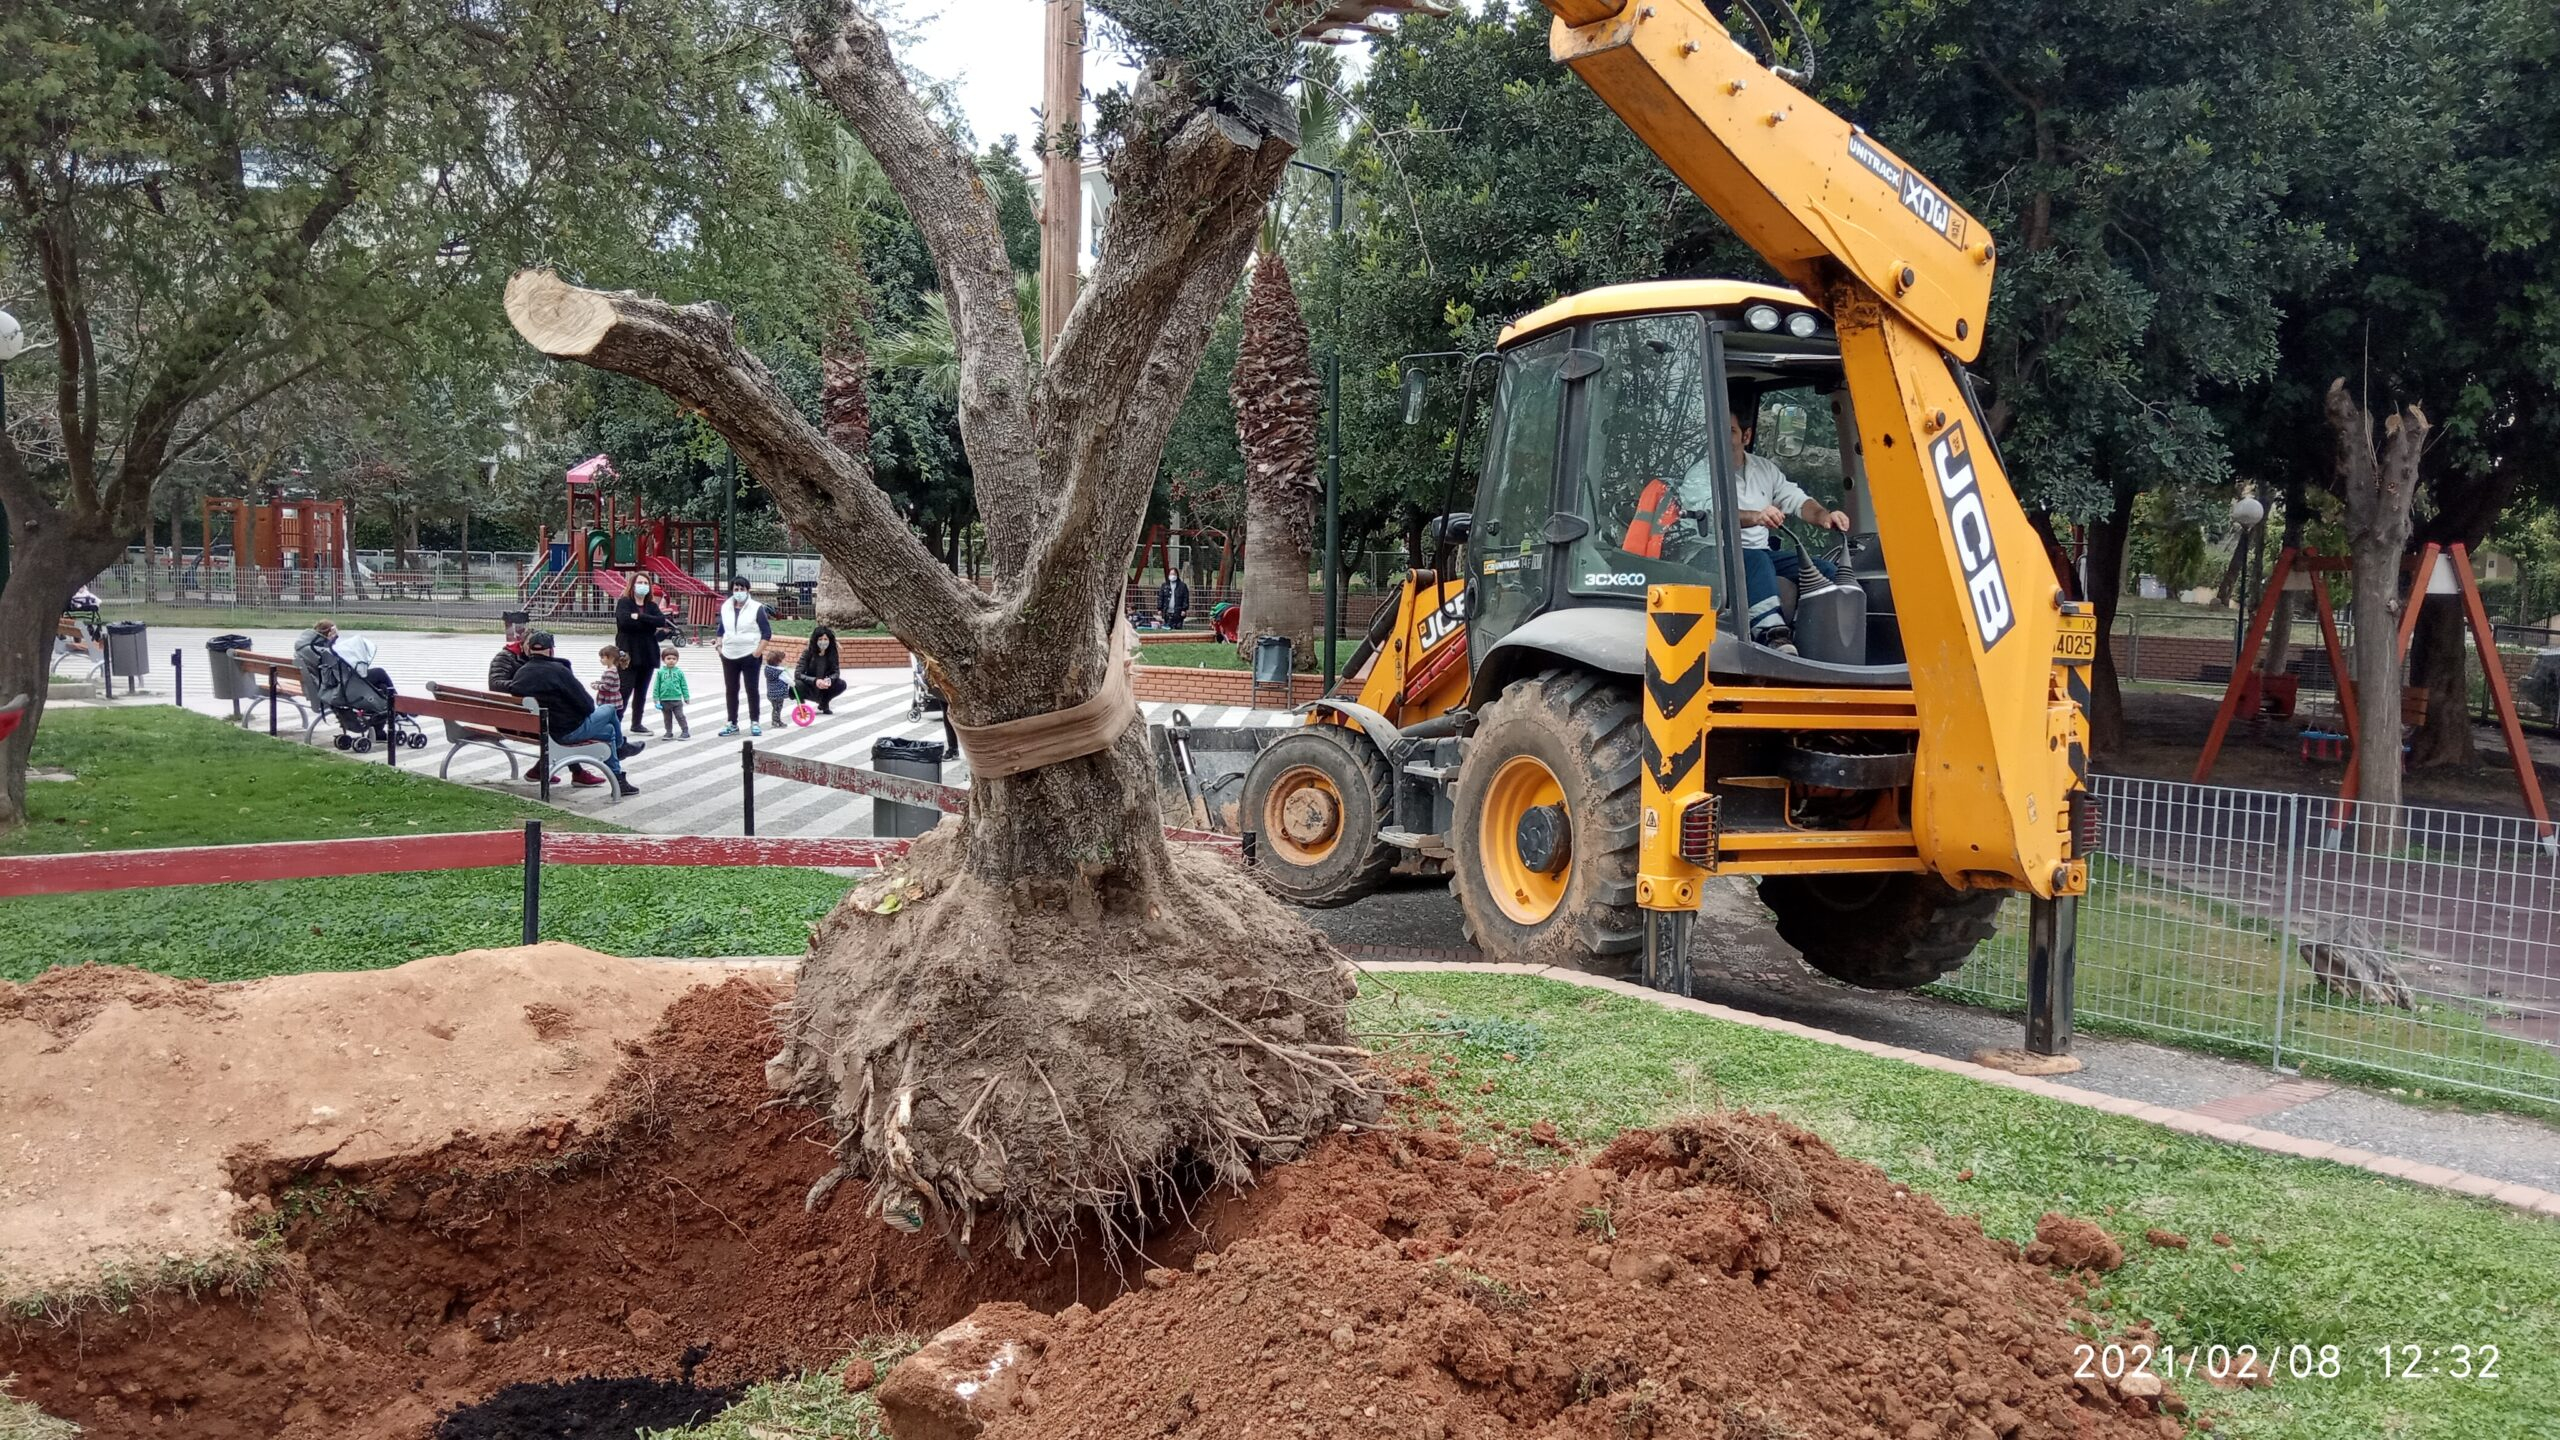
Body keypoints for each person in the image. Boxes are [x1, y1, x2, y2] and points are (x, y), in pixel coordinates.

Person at [1675, 396, 1849, 654]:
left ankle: (1814, 634)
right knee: (1758, 561)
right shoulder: (1701, 473)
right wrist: (1756, 516)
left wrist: (1824, 516)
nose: (1722, 437)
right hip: (1710, 554)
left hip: (1759, 554)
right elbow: (1714, 516)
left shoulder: (1765, 470)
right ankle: (1772, 635)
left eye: (1730, 431)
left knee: (1823, 569)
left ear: (1746, 436)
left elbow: (1798, 501)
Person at [503, 630, 643, 796]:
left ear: (530, 650)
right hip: (565, 732)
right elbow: (587, 705)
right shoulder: (559, 671)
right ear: (551, 650)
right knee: (609, 709)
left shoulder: (521, 672)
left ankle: (619, 775)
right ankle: (621, 749)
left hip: (540, 731)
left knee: (609, 732)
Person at [614, 577, 675, 733]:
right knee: (624, 690)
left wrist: (640, 617)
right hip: (628, 652)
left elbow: (661, 621)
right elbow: (626, 622)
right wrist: (648, 624)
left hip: (647, 653)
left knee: (641, 691)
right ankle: (615, 724)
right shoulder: (624, 603)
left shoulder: (651, 605)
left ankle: (637, 723)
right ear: (632, 585)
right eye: (639, 583)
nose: (643, 586)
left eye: (645, 583)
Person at [714, 576, 770, 737]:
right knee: (731, 689)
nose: (739, 592)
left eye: (742, 589)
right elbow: (721, 629)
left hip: (749, 654)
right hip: (729, 654)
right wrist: (719, 646)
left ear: (748, 590)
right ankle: (732, 722)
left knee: (751, 688)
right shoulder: (726, 607)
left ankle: (755, 721)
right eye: (736, 589)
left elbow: (766, 632)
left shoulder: (757, 608)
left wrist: (757, 652)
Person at [794, 626, 848, 714]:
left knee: (841, 684)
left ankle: (824, 703)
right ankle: (801, 706)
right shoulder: (808, 652)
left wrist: (829, 680)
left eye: (826, 639)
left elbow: (836, 672)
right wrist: (815, 681)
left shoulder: (832, 652)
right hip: (810, 686)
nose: (823, 642)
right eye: (820, 639)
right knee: (796, 684)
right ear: (815, 640)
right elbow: (798, 673)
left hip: (824, 686)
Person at [652, 644, 692, 738]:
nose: (671, 661)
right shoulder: (661, 672)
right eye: (668, 658)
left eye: (674, 658)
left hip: (676, 699)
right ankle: (669, 732)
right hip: (664, 700)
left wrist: (686, 697)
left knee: (680, 716)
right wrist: (656, 699)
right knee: (667, 718)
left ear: (677, 660)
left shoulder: (679, 672)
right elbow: (656, 686)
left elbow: (684, 685)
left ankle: (685, 730)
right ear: (663, 659)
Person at [594, 646, 626, 711]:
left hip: (609, 700)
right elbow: (608, 682)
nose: (600, 660)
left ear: (611, 658)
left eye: (602, 658)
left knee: (608, 716)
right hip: (611, 700)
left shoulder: (610, 672)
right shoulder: (611, 670)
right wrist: (599, 682)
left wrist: (596, 686)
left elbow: (606, 687)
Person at [764, 648, 795, 713]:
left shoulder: (768, 669)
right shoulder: (780, 672)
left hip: (771, 694)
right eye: (783, 659)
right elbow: (788, 680)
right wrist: (793, 683)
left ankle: (776, 721)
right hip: (778, 695)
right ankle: (776, 721)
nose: (785, 661)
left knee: (775, 708)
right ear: (779, 661)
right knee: (777, 709)